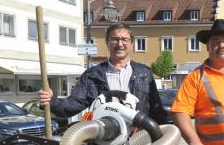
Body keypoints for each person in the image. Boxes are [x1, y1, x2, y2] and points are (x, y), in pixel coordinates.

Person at [38, 22, 168, 124]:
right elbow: (74, 104)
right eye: (115, 39)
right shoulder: (92, 75)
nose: (120, 44)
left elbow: (156, 111)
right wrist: (53, 101)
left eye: (125, 40)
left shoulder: (144, 73)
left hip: (138, 139)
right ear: (107, 43)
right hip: (104, 138)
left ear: (132, 44)